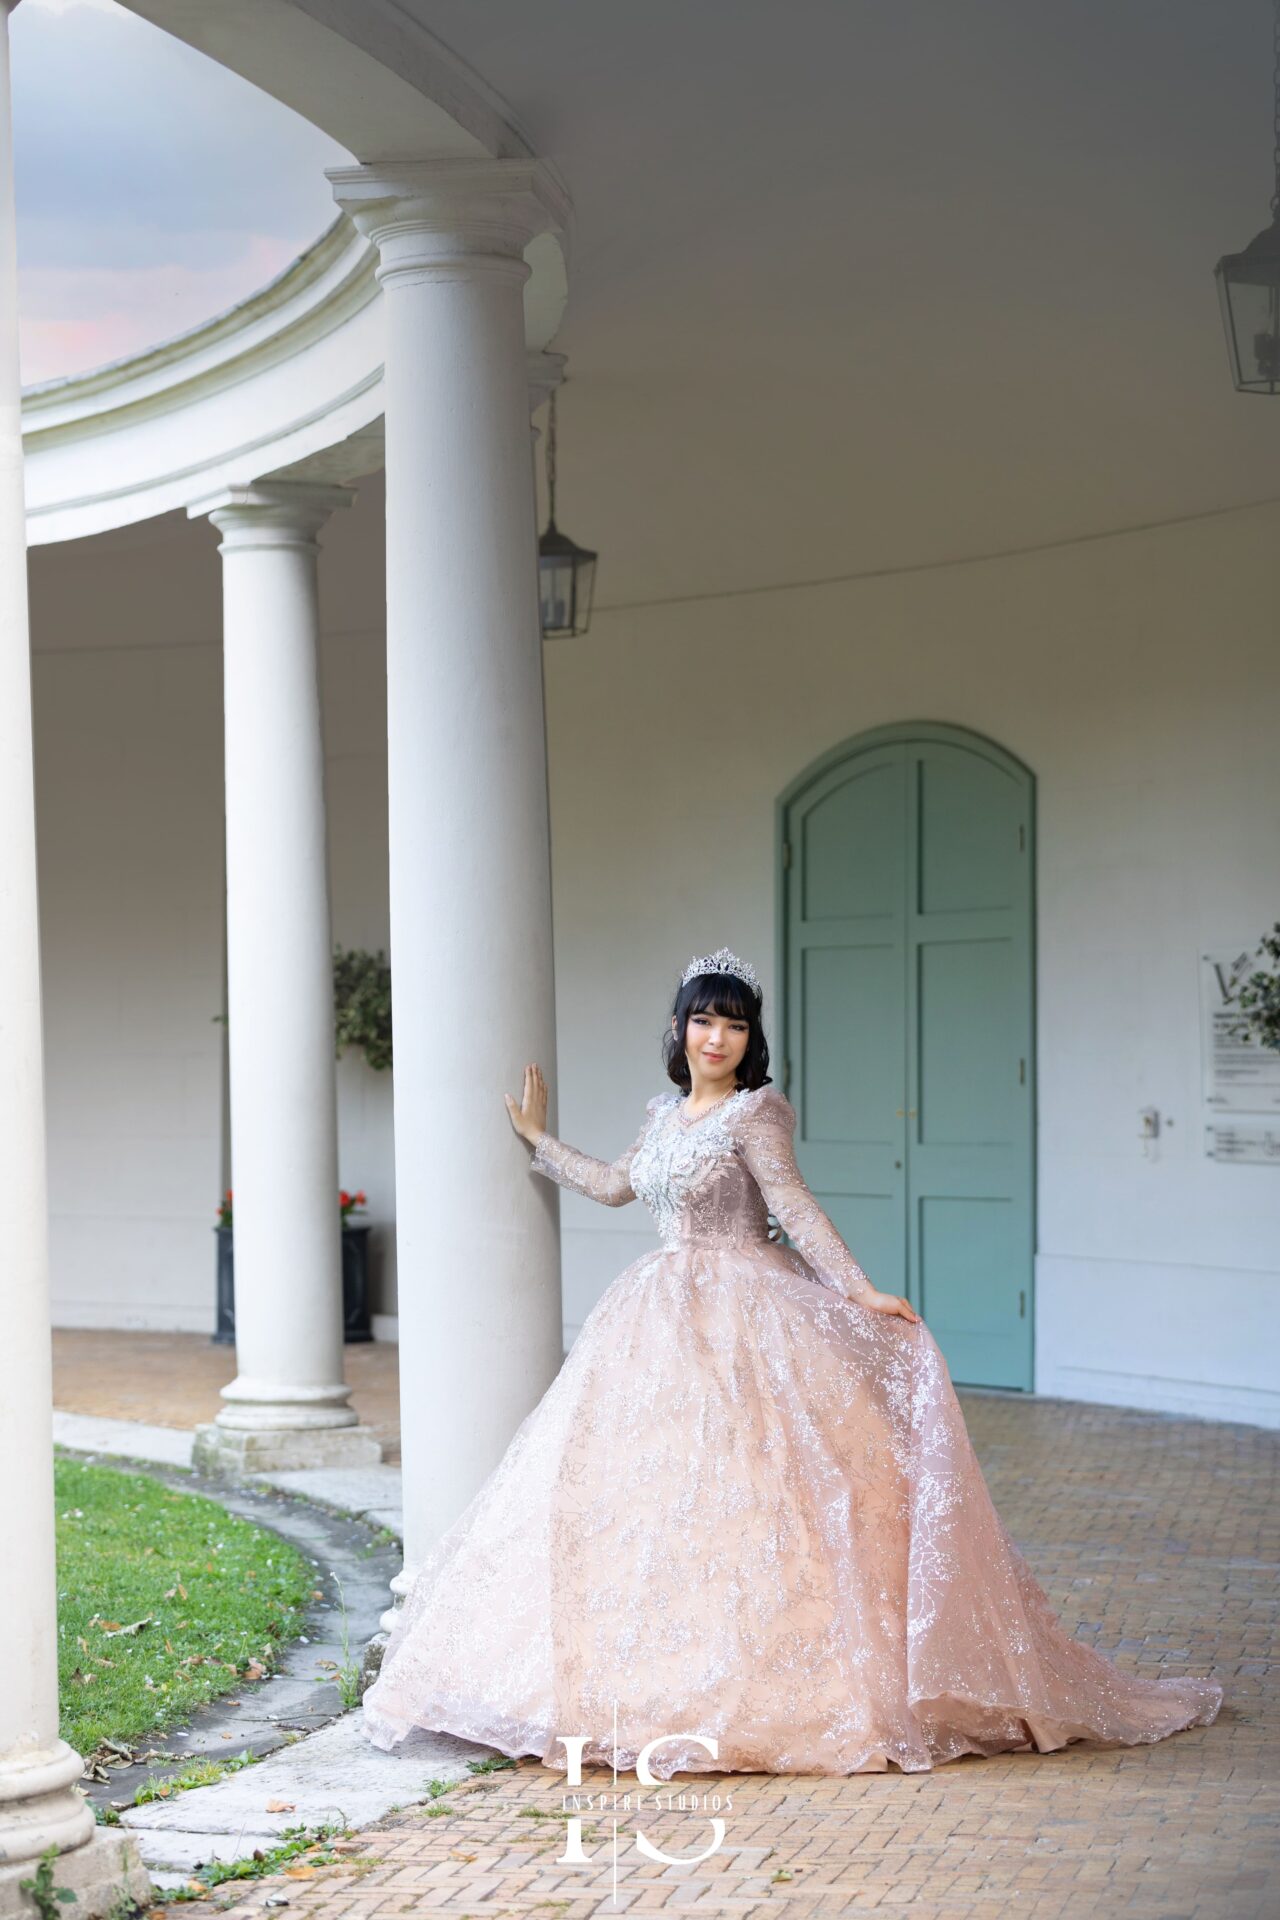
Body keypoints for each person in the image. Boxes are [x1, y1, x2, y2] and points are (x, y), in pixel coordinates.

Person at [360, 947, 1223, 1778]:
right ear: (677, 1029)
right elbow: (619, 1186)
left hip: (748, 1312)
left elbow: (795, 1209)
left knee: (763, 1487)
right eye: (703, 1021)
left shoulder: (756, 1113)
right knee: (657, 1496)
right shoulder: (663, 1118)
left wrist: (862, 1293)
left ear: (750, 1039)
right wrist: (540, 1141)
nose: (716, 1039)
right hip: (657, 1320)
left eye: (733, 1026)